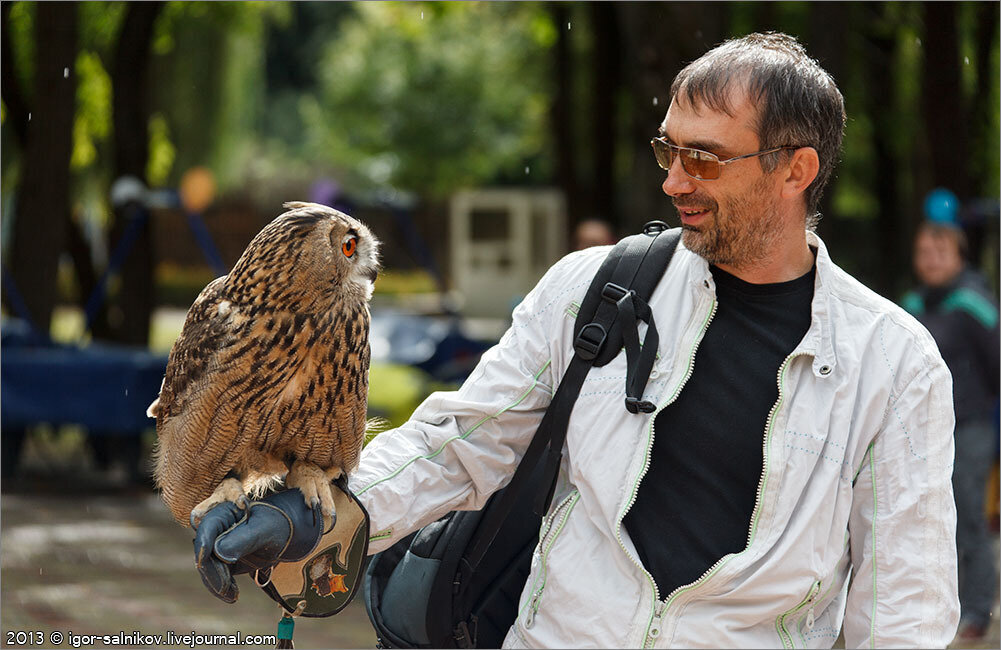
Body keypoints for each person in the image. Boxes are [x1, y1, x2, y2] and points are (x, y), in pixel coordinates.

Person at [192, 32, 959, 647]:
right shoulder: (594, 288)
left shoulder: (892, 365)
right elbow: (461, 443)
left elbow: (905, 611)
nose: (673, 181)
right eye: (668, 150)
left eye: (704, 158)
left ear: (796, 170)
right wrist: (311, 506)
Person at [902, 218, 999, 641]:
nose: (931, 260)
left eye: (940, 252)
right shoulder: (911, 305)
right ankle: (938, 607)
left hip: (972, 428)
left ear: (959, 255)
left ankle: (977, 609)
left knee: (969, 516)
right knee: (928, 519)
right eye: (924, 252)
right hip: (924, 433)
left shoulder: (973, 304)